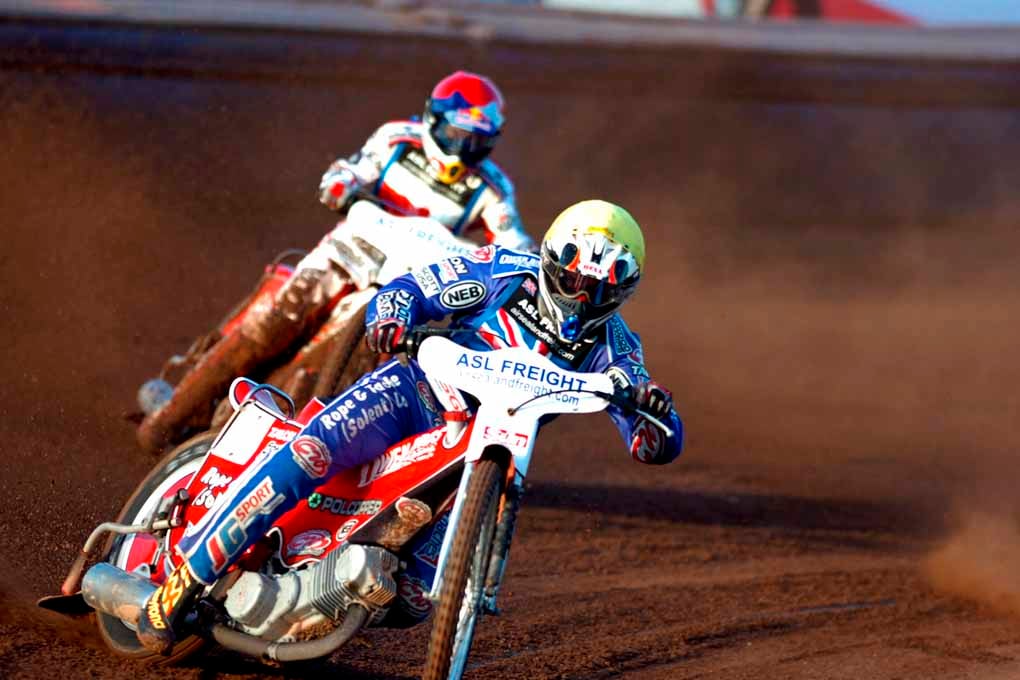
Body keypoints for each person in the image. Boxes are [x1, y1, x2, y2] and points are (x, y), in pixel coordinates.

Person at [136, 200, 682, 654]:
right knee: (311, 451)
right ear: (552, 259)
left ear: (624, 289)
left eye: (600, 288)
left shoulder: (617, 347)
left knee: (412, 598)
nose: (582, 297)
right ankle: (187, 577)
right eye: (574, 278)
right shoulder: (503, 270)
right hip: (412, 394)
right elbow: (409, 289)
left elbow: (651, 434)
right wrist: (394, 317)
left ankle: (311, 599)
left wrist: (655, 416)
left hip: (481, 454)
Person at [137, 70, 533, 452]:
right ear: (434, 120)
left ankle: (274, 437)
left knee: (336, 363)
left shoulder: (492, 189)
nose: (462, 149)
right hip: (346, 253)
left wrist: (527, 266)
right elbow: (350, 170)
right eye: (456, 135)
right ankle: (168, 419)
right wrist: (342, 185)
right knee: (270, 326)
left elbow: (513, 241)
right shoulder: (397, 140)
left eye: (476, 142)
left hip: (395, 287)